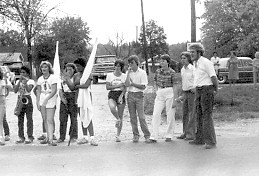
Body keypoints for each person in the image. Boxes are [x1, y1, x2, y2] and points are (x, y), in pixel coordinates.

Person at [189, 43, 218, 149]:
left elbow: (213, 77)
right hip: (199, 90)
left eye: (193, 52)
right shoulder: (196, 64)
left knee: (206, 116)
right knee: (198, 115)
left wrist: (215, 89)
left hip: (207, 89)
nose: (191, 54)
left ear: (199, 52)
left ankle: (211, 141)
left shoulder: (206, 62)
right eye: (190, 52)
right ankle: (200, 138)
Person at [148, 54, 178, 143]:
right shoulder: (158, 71)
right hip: (160, 92)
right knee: (156, 114)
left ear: (168, 62)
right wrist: (156, 89)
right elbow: (154, 81)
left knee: (170, 114)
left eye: (163, 61)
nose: (162, 63)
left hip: (169, 92)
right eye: (161, 61)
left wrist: (175, 99)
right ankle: (154, 136)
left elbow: (175, 85)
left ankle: (169, 135)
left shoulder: (172, 72)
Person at [125, 55, 151, 143]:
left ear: (137, 63)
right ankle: (135, 135)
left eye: (132, 63)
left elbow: (143, 86)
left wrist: (133, 84)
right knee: (132, 117)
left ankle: (147, 135)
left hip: (139, 95)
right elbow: (127, 84)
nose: (130, 65)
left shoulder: (142, 73)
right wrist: (128, 73)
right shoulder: (128, 73)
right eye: (129, 64)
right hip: (130, 95)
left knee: (141, 117)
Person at [74, 58, 98, 146]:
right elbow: (73, 86)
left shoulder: (89, 74)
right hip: (78, 97)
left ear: (83, 66)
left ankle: (92, 137)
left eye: (79, 66)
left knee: (88, 116)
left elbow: (86, 85)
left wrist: (78, 86)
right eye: (76, 66)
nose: (77, 67)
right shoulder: (76, 75)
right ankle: (85, 137)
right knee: (82, 117)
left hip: (86, 97)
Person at [36, 61, 58, 146]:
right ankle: (47, 137)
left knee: (50, 119)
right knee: (44, 119)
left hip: (50, 99)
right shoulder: (40, 79)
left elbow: (54, 91)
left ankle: (51, 139)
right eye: (42, 67)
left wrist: (46, 99)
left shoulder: (53, 78)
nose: (44, 69)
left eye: (46, 67)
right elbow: (38, 91)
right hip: (42, 98)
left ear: (49, 68)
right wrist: (38, 101)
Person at [56, 63, 78, 143]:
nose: (68, 71)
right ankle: (62, 136)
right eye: (67, 69)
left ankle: (73, 136)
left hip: (73, 96)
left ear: (74, 70)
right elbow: (60, 89)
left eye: (70, 70)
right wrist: (62, 98)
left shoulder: (75, 77)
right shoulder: (62, 79)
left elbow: (74, 88)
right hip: (65, 97)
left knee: (73, 118)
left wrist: (68, 79)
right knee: (62, 118)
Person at [176, 52, 196, 141]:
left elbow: (197, 79)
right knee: (185, 113)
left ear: (188, 59)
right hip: (185, 92)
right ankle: (185, 131)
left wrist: (195, 88)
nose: (183, 60)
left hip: (192, 92)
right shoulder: (182, 69)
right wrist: (181, 94)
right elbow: (183, 82)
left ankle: (191, 133)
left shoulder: (192, 69)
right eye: (182, 58)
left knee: (192, 113)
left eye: (184, 58)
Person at [106, 60, 126, 142]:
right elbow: (107, 87)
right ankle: (117, 118)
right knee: (112, 107)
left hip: (121, 94)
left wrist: (121, 96)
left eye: (119, 66)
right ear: (114, 66)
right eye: (116, 66)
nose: (117, 68)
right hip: (112, 94)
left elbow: (125, 88)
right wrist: (117, 85)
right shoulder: (110, 75)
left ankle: (118, 135)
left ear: (121, 67)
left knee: (121, 114)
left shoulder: (124, 76)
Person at [13, 66, 35, 144]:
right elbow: (15, 91)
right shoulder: (18, 81)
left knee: (29, 119)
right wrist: (19, 81)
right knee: (20, 120)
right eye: (21, 72)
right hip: (20, 99)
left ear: (27, 74)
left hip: (27, 98)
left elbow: (29, 90)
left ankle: (30, 136)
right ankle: (21, 136)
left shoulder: (31, 81)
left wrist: (25, 83)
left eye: (24, 72)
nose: (22, 74)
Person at [0, 69, 13, 145]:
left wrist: (5, 85)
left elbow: (11, 87)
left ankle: (2, 137)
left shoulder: (3, 80)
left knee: (1, 119)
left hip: (1, 98)